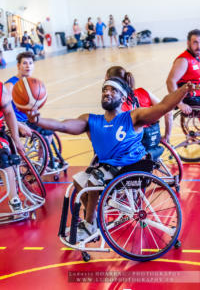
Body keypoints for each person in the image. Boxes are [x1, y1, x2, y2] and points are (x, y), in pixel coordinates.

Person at [27, 77, 195, 242]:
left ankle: (89, 224)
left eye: (113, 90)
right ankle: (91, 221)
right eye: (104, 90)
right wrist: (37, 120)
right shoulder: (91, 120)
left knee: (93, 181)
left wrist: (183, 90)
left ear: (123, 98)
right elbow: (62, 125)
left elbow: (164, 106)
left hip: (132, 166)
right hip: (108, 169)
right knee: (80, 181)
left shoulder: (133, 116)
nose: (107, 93)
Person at [106, 66, 172, 142]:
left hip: (133, 143)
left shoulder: (116, 102)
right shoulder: (143, 92)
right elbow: (168, 112)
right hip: (152, 138)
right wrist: (167, 136)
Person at [166, 29, 200, 137]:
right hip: (188, 98)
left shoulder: (197, 57)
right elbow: (170, 81)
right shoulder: (183, 60)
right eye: (195, 42)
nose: (198, 46)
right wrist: (179, 103)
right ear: (188, 43)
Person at [0, 81, 24, 212]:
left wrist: (17, 140)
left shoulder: (1, 89)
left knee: (4, 158)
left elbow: (9, 113)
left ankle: (14, 200)